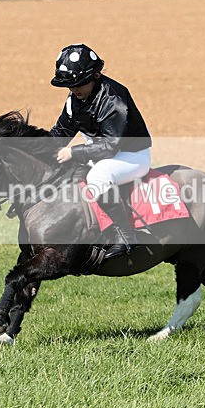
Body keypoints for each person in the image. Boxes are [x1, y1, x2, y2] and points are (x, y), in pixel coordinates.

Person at [49, 43, 152, 259]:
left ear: (95, 76)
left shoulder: (113, 98)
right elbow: (60, 133)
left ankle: (126, 237)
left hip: (131, 156)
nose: (74, 90)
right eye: (70, 86)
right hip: (100, 155)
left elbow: (111, 146)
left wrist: (73, 153)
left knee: (98, 175)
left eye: (79, 84)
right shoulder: (75, 99)